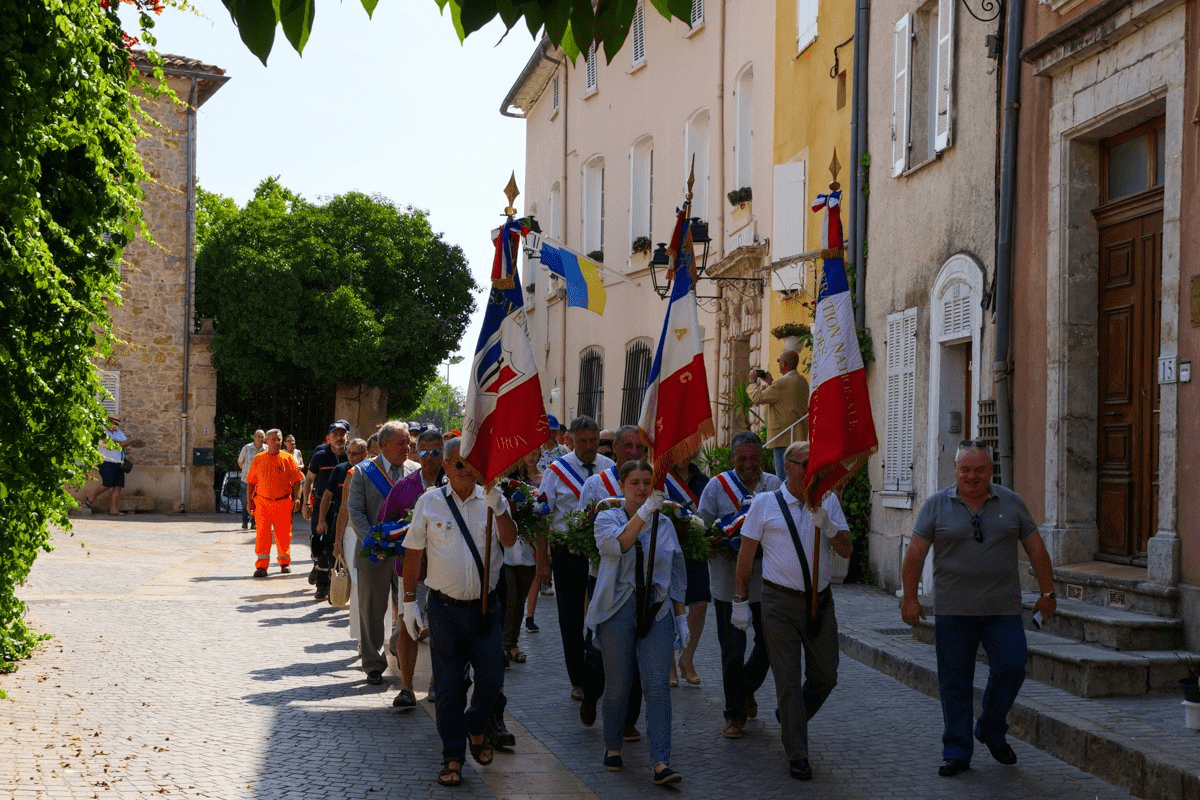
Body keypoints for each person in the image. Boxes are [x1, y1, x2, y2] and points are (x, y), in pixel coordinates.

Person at [901, 440, 1057, 778]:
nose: (972, 476)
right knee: (955, 683)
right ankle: (956, 751)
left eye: (980, 470)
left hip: (1002, 609)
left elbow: (1037, 550)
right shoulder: (935, 506)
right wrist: (910, 598)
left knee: (1012, 667)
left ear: (991, 470)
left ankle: (990, 726)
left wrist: (1048, 593)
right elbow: (915, 554)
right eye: (965, 469)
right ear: (955, 470)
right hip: (954, 611)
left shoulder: (1011, 503)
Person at [400, 437, 517, 788]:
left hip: (485, 608)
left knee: (492, 679)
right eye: (461, 464)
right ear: (448, 467)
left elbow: (510, 541)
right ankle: (452, 755)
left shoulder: (492, 499)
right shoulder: (430, 502)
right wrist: (408, 602)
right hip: (445, 609)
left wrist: (500, 509)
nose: (468, 471)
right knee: (449, 688)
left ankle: (477, 726)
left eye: (472, 464)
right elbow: (413, 552)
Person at [733, 440, 852, 781]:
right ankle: (798, 753)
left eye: (817, 465)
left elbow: (845, 549)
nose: (813, 471)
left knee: (826, 675)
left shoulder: (827, 500)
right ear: (788, 467)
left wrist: (827, 525)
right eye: (805, 464)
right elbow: (745, 556)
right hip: (778, 602)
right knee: (787, 679)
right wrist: (740, 603)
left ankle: (790, 717)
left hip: (820, 600)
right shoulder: (765, 504)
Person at [587, 460, 687, 785]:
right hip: (617, 609)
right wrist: (645, 513)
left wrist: (681, 617)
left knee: (657, 686)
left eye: (648, 482)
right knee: (618, 685)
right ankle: (612, 746)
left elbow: (675, 573)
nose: (643, 488)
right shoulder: (607, 518)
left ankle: (661, 762)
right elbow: (619, 544)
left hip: (656, 610)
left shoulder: (665, 524)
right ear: (621, 486)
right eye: (635, 483)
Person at [697, 430, 781, 738]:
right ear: (733, 459)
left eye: (754, 458)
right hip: (727, 585)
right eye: (743, 459)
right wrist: (716, 540)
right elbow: (700, 529)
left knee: (771, 645)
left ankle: (746, 687)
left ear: (762, 459)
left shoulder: (774, 485)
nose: (749, 464)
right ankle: (733, 714)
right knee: (732, 650)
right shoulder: (716, 487)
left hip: (767, 583)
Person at [538, 416, 614, 707]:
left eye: (593, 441)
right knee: (570, 618)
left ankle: (595, 668)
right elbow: (543, 516)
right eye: (582, 441)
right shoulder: (556, 471)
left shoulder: (610, 470)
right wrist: (542, 562)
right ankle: (578, 680)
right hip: (566, 553)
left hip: (601, 555)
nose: (588, 447)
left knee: (601, 613)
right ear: (570, 440)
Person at [577, 424, 645, 736]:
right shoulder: (596, 484)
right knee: (597, 649)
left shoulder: (652, 483)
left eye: (639, 447)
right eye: (628, 446)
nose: (633, 452)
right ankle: (591, 694)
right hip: (602, 578)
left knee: (638, 650)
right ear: (615, 448)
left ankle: (629, 719)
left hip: (641, 584)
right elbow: (580, 529)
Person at [377, 428, 447, 709]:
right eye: (425, 452)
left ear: (443, 453)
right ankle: (406, 688)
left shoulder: (454, 484)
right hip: (411, 570)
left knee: (442, 629)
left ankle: (436, 683)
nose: (430, 458)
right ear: (417, 453)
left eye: (436, 452)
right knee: (408, 626)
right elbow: (385, 526)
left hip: (446, 571)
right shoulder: (404, 487)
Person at [347, 421, 417, 685]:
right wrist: (375, 541)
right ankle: (373, 663)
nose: (407, 447)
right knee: (372, 609)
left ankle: (402, 651)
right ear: (384, 445)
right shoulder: (363, 473)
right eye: (401, 443)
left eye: (408, 442)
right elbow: (356, 512)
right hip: (373, 552)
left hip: (407, 554)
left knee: (408, 606)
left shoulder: (415, 472)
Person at [664, 457, 710, 687]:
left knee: (700, 603)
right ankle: (669, 662)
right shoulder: (660, 478)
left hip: (695, 549)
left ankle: (687, 658)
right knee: (670, 605)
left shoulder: (703, 480)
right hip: (668, 551)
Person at [245, 429, 305, 577]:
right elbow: (251, 482)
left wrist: (297, 498)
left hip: (283, 502)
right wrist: (249, 501)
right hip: (262, 502)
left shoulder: (288, 458)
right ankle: (261, 566)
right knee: (262, 534)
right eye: (273, 439)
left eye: (279, 439)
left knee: (283, 534)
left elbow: (297, 481)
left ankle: (284, 563)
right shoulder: (258, 459)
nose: (277, 442)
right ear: (267, 441)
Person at [323, 438, 367, 636]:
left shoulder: (372, 472)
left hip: (371, 533)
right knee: (357, 580)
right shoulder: (346, 472)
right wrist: (337, 541)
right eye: (348, 452)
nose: (350, 456)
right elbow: (342, 507)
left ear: (366, 454)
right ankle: (361, 636)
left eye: (355, 453)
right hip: (350, 531)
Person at [302, 421, 349, 600]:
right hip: (322, 504)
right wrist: (306, 503)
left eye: (341, 434)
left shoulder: (349, 456)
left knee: (335, 546)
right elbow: (308, 480)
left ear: (347, 435)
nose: (338, 437)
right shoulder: (320, 455)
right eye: (334, 434)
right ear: (329, 437)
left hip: (342, 507)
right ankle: (319, 575)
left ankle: (328, 585)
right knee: (319, 544)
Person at [747, 349, 809, 477]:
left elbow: (757, 398)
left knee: (782, 476)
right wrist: (771, 382)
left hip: (782, 437)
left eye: (779, 361)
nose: (778, 363)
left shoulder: (781, 383)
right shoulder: (802, 381)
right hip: (799, 435)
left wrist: (753, 382)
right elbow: (785, 397)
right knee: (796, 474)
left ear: (784, 364)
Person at [87, 416, 130, 516]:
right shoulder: (101, 431)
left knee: (118, 486)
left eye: (117, 423)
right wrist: (119, 443)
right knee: (107, 484)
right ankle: (91, 497)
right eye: (114, 423)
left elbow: (127, 442)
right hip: (106, 461)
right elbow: (106, 443)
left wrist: (115, 443)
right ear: (108, 422)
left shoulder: (118, 431)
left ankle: (113, 510)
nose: (116, 425)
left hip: (119, 462)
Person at [236, 429, 265, 529]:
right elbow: (240, 462)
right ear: (254, 437)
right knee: (245, 502)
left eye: (262, 437)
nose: (259, 439)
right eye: (258, 436)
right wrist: (247, 472)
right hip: (246, 480)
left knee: (257, 503)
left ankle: (254, 522)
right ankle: (245, 520)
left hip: (260, 482)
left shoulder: (266, 449)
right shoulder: (247, 448)